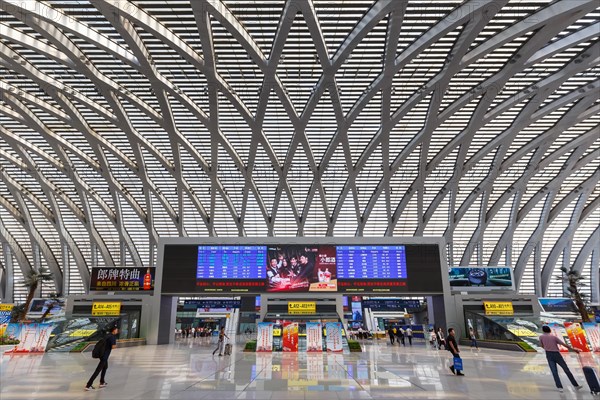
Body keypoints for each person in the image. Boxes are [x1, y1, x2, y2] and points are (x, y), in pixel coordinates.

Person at [539, 325, 583, 392]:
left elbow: (542, 345)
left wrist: (547, 348)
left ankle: (560, 387)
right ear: (549, 330)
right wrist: (574, 350)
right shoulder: (553, 337)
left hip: (549, 354)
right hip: (557, 355)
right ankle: (576, 385)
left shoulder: (541, 337)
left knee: (554, 372)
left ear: (543, 330)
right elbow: (564, 344)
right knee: (566, 370)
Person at [85, 326, 118, 391]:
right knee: (98, 370)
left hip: (101, 354)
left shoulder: (107, 335)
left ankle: (102, 382)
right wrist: (115, 345)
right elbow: (113, 347)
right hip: (105, 356)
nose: (117, 331)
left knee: (105, 367)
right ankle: (88, 385)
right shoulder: (113, 337)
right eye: (116, 330)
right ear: (114, 330)